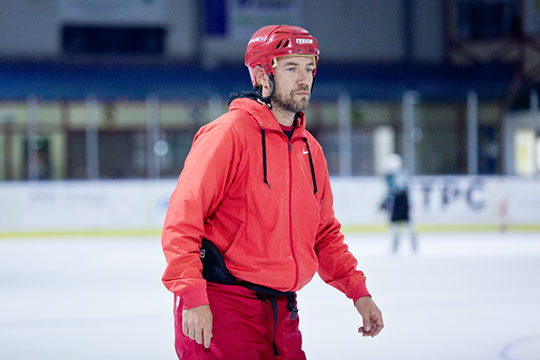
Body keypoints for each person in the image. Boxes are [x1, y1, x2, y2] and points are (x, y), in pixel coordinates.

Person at [161, 25, 383, 359]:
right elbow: (183, 221)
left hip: (282, 313)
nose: (304, 78)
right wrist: (192, 298)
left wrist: (358, 291)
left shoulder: (309, 148)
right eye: (291, 68)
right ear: (263, 75)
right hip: (223, 308)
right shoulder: (227, 135)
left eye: (309, 68)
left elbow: (324, 234)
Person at [380, 153, 418, 253]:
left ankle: (396, 244)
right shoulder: (405, 174)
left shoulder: (390, 177)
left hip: (397, 202)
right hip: (404, 201)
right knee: (408, 223)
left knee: (395, 224)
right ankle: (413, 242)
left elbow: (391, 192)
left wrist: (384, 202)